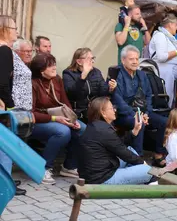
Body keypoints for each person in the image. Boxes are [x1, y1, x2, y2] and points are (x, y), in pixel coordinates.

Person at [30, 53, 86, 184]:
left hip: (58, 118)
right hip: (37, 121)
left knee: (83, 129)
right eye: (50, 65)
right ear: (41, 69)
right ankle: (44, 168)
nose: (54, 67)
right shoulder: (32, 84)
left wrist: (72, 120)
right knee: (62, 132)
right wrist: (55, 118)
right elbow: (31, 113)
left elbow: (65, 103)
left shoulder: (56, 80)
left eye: (54, 64)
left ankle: (69, 166)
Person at [113, 45, 167, 165]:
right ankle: (138, 158)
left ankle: (158, 153)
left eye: (137, 59)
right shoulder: (117, 75)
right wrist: (136, 115)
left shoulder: (142, 75)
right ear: (123, 60)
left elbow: (148, 96)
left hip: (142, 111)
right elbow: (118, 100)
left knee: (164, 122)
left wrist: (147, 113)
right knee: (139, 123)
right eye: (131, 59)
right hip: (124, 114)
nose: (135, 62)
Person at [78, 97, 152, 185]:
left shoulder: (95, 126)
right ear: (103, 113)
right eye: (111, 108)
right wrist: (143, 163)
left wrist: (135, 129)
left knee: (130, 150)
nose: (115, 110)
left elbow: (118, 144)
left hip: (95, 173)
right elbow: (123, 152)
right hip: (101, 180)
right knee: (149, 171)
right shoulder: (104, 130)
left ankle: (136, 176)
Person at [0, 15, 31, 195]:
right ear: (4, 29)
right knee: (5, 147)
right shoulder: (4, 50)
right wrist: (11, 107)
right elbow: (2, 83)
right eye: (14, 28)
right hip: (3, 107)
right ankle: (5, 185)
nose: (16, 32)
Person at [63, 48, 116, 120]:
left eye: (93, 58)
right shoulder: (68, 73)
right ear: (79, 62)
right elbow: (72, 94)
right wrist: (83, 76)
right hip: (78, 113)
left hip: (95, 110)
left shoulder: (96, 72)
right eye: (89, 59)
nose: (93, 61)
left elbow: (103, 93)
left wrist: (110, 88)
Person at [149, 13, 177, 108]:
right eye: (176, 25)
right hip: (163, 74)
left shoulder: (169, 38)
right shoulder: (160, 36)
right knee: (166, 99)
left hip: (169, 74)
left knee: (170, 99)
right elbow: (161, 57)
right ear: (170, 24)